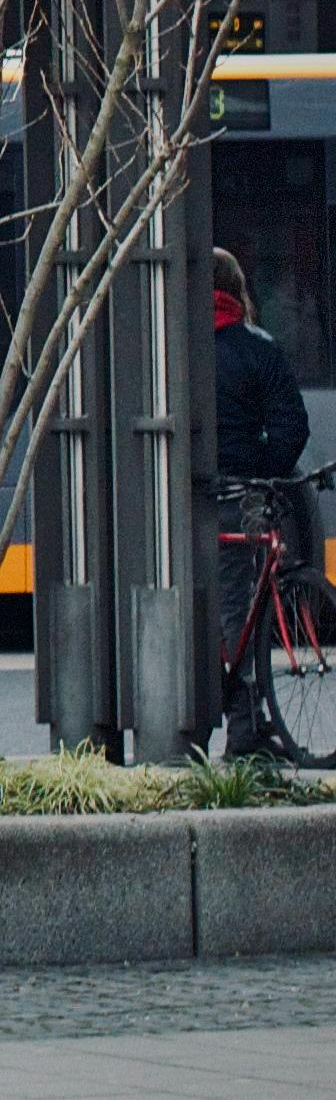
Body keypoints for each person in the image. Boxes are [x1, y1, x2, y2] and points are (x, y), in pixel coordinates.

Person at [211, 248, 313, 757]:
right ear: (237, 289)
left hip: (175, 501)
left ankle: (192, 724)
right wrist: (265, 472)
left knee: (197, 607)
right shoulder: (258, 348)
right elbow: (293, 427)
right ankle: (244, 734)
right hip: (241, 496)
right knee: (240, 612)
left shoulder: (170, 346)